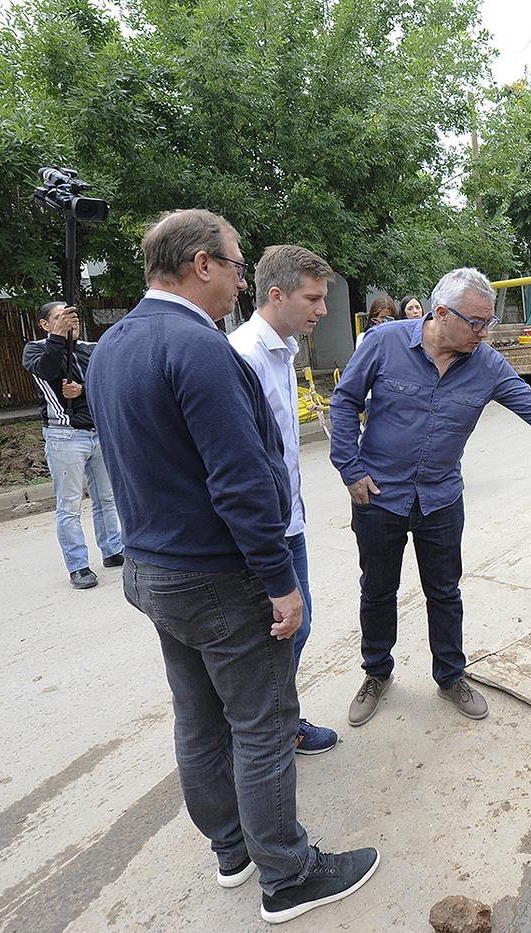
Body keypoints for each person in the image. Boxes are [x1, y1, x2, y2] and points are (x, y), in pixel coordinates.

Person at [87, 209, 378, 924]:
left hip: (154, 570)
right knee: (261, 720)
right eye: (238, 263)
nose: (243, 277)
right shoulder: (203, 349)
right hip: (217, 576)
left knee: (197, 715)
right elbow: (241, 481)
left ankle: (231, 849)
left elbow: (131, 468)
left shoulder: (112, 345)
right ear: (201, 264)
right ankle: (287, 873)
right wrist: (281, 581)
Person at [330, 267, 531, 726]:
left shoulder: (486, 364)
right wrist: (350, 469)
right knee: (377, 589)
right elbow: (345, 401)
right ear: (441, 313)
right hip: (378, 496)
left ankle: (450, 676)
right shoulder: (384, 342)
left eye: (488, 322)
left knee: (445, 592)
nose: (484, 332)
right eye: (476, 323)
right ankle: (377, 672)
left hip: (441, 500)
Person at [228, 244, 339, 757]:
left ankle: (276, 723)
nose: (322, 310)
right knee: (278, 634)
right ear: (277, 295)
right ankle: (264, 733)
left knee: (296, 628)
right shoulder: (244, 355)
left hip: (288, 521)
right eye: (313, 299)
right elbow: (239, 466)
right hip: (266, 531)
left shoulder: (283, 349)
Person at [22, 300, 123, 589]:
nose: (71, 321)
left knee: (106, 498)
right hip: (64, 436)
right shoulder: (37, 349)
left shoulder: (91, 348)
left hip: (98, 432)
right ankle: (78, 566)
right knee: (69, 505)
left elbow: (107, 382)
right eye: (61, 317)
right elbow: (49, 371)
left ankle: (113, 550)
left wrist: (83, 388)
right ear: (45, 324)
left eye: (72, 317)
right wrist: (58, 338)